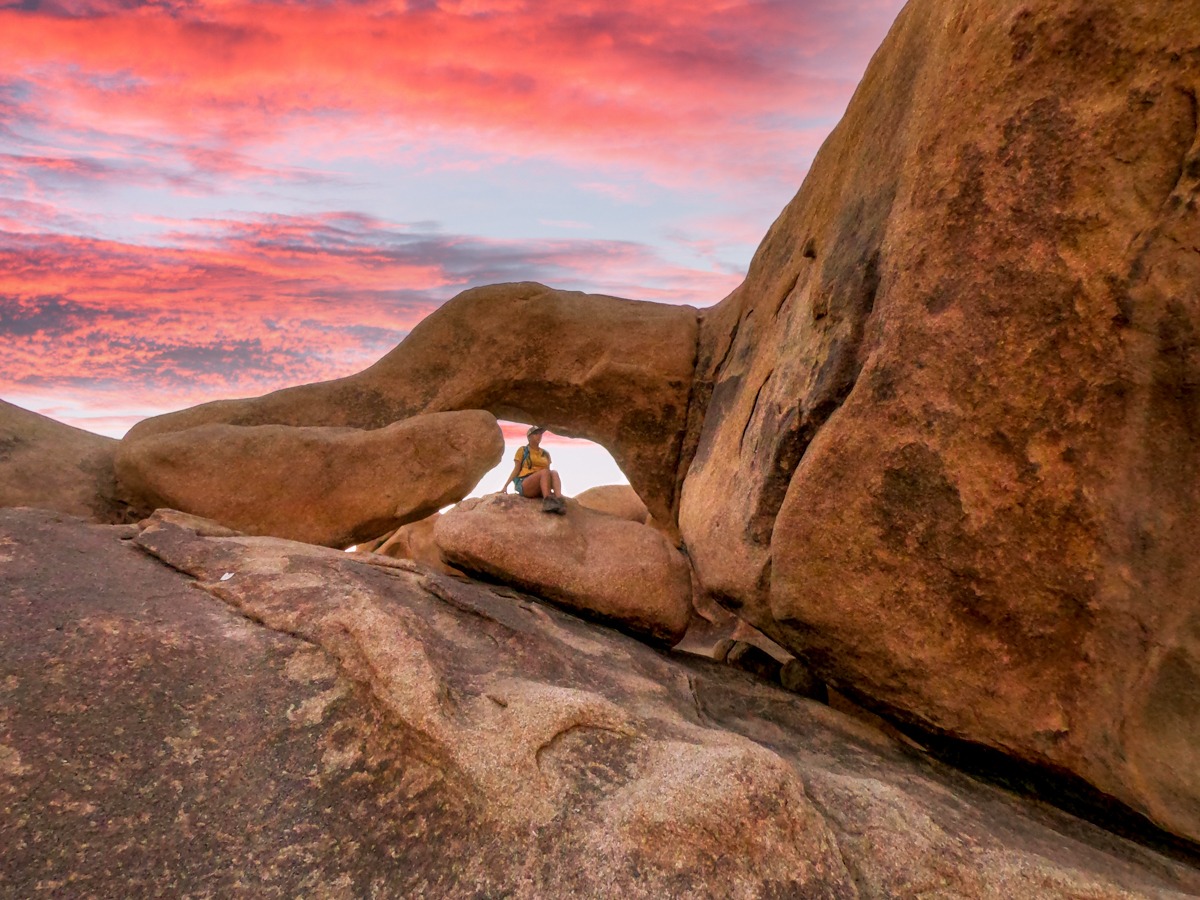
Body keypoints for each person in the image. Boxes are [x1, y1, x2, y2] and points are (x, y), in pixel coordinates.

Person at [503, 425, 565, 513]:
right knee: (544, 472)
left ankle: (560, 501)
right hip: (525, 483)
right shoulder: (523, 450)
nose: (539, 436)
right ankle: (548, 501)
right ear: (529, 437)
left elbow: (549, 473)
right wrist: (505, 486)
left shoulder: (545, 453)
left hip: (540, 484)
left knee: (553, 472)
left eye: (540, 434)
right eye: (536, 434)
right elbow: (516, 469)